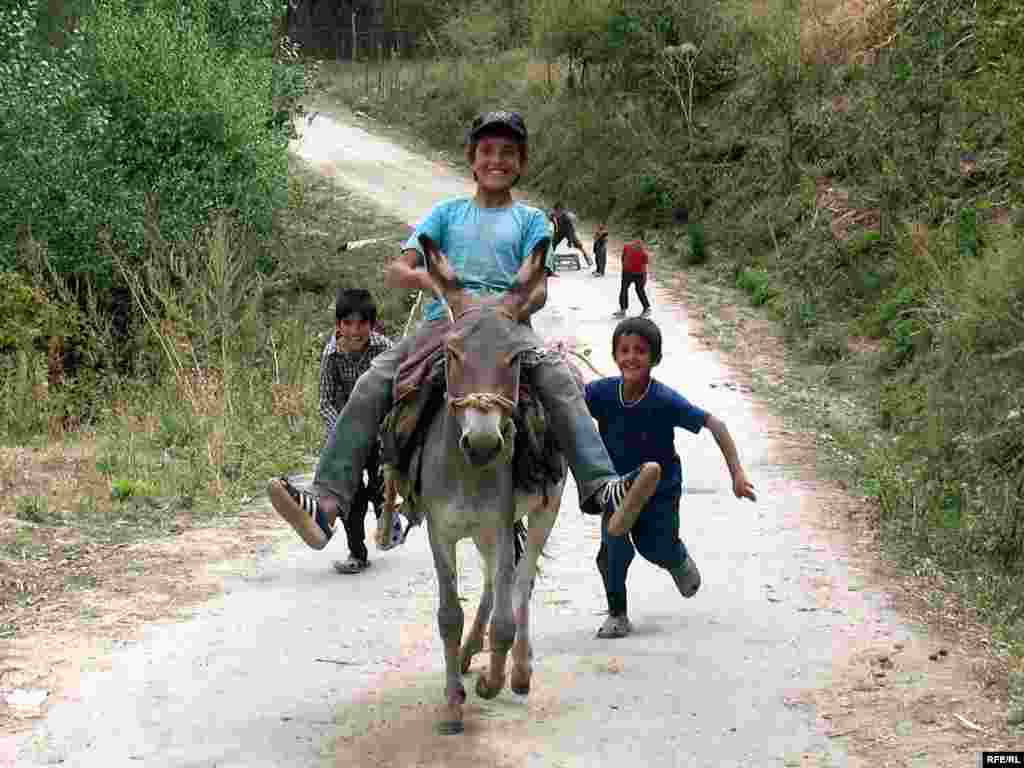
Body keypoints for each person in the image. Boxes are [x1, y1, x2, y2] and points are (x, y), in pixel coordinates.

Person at [267, 110, 662, 554]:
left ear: (522, 161)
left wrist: (510, 308)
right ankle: (327, 504)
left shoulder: (532, 221)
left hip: (508, 328)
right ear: (472, 159)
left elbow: (539, 291)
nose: (498, 160)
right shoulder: (445, 214)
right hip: (444, 325)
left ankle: (603, 488)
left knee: (561, 379)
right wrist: (432, 283)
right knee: (371, 382)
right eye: (488, 152)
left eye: (509, 153)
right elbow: (400, 267)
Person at [585, 317, 756, 638]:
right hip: (618, 488)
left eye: (640, 351)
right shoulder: (602, 393)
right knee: (612, 550)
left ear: (655, 359)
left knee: (654, 547)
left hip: (659, 492)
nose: (631, 357)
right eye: (624, 350)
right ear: (614, 356)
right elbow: (569, 404)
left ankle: (675, 558)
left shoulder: (663, 399)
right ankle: (617, 615)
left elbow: (715, 424)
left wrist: (737, 473)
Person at [317, 288, 399, 574]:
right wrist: (342, 435)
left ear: (372, 325)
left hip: (379, 429)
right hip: (346, 435)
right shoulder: (330, 356)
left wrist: (386, 428)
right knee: (350, 496)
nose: (355, 331)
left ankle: (388, 522)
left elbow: (398, 394)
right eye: (348, 323)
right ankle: (357, 552)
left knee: (381, 483)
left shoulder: (385, 349)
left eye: (362, 323)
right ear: (338, 325)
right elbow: (325, 402)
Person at [614, 234, 651, 318]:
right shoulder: (639, 250)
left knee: (630, 290)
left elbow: (644, 264)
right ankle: (645, 308)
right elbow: (645, 264)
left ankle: (645, 309)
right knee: (630, 290)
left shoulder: (639, 250)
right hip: (633, 273)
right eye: (636, 240)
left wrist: (624, 267)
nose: (637, 242)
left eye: (638, 241)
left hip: (633, 273)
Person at [551, 201, 592, 268]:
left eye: (559, 212)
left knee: (577, 243)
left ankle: (586, 256)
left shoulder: (567, 218)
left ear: (562, 211)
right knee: (552, 244)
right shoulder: (552, 216)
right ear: (554, 210)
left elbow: (571, 231)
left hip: (568, 231)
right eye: (556, 212)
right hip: (558, 232)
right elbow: (550, 226)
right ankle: (548, 259)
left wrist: (570, 241)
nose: (557, 214)